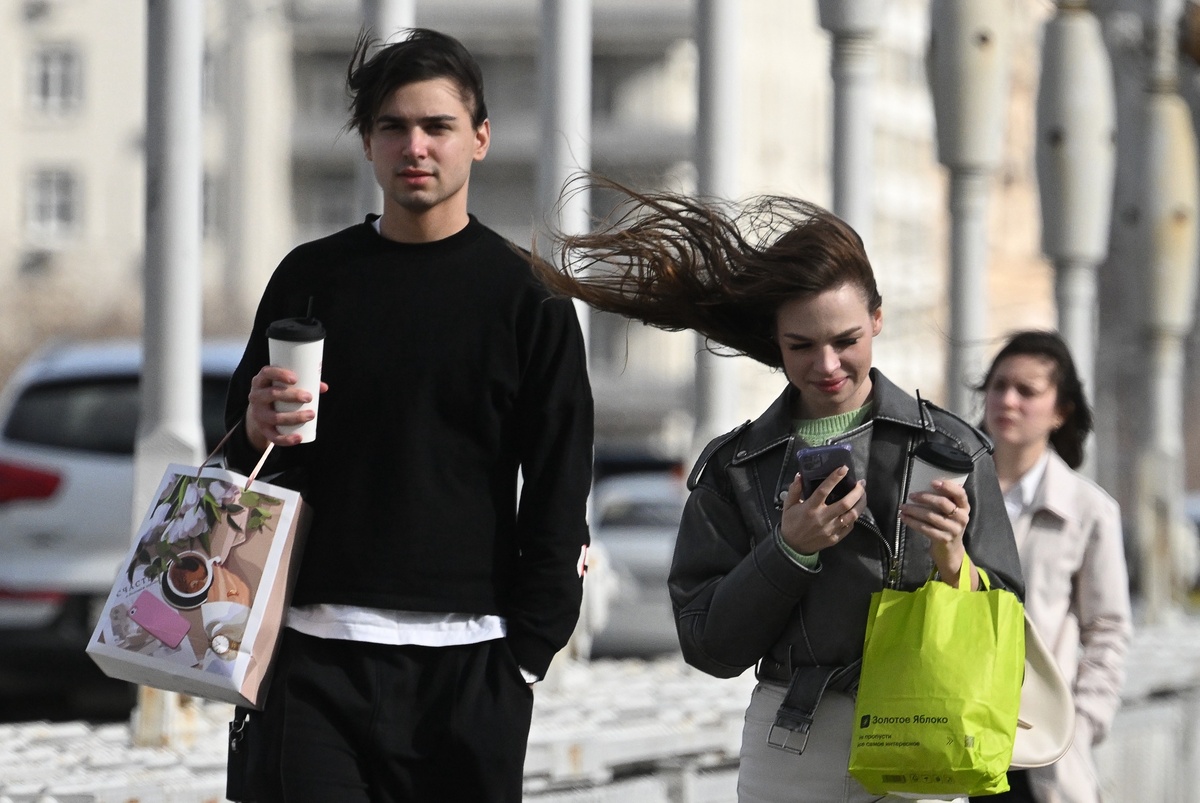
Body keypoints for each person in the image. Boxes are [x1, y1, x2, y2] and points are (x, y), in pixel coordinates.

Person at [531, 179, 1024, 802]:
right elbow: (707, 643)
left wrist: (956, 563)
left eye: (847, 341)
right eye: (802, 345)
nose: (827, 366)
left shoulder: (951, 449)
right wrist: (788, 551)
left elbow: (1010, 621)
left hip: (923, 729)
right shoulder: (738, 465)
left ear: (877, 318)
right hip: (794, 738)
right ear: (775, 341)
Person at [222, 28, 594, 802]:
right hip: (315, 655)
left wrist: (527, 652)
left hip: (471, 664)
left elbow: (560, 483)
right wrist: (255, 426)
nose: (414, 145)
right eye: (392, 125)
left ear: (480, 139)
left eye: (438, 126)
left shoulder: (530, 299)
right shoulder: (311, 276)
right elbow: (241, 454)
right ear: (366, 142)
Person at [972, 331, 1132, 803]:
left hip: (1042, 758)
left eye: (1027, 390)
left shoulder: (1088, 510)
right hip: (951, 738)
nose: (1007, 400)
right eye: (999, 385)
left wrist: (1080, 723)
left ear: (1060, 411)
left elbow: (1108, 628)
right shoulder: (951, 495)